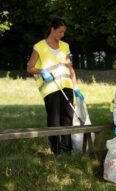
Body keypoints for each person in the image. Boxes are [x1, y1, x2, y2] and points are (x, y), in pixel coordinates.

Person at [27, 18, 84, 154]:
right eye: (60, 32)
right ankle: (56, 151)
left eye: (64, 32)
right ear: (52, 29)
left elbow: (70, 69)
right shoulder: (39, 46)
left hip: (67, 86)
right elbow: (30, 68)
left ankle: (67, 150)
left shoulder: (65, 46)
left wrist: (75, 87)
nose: (62, 35)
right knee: (54, 119)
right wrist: (41, 71)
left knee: (68, 117)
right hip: (50, 87)